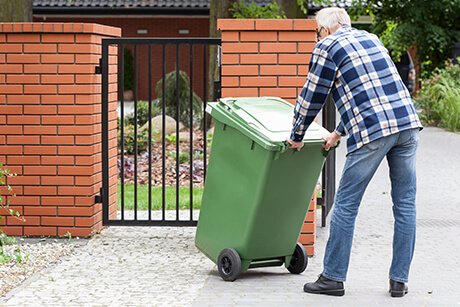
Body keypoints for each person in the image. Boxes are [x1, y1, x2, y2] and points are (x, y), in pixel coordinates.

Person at [287, 7, 423, 297]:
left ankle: (333, 278)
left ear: (325, 29)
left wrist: (296, 135)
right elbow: (366, 94)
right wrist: (338, 132)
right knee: (406, 205)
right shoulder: (371, 38)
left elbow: (312, 95)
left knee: (346, 203)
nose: (317, 37)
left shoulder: (327, 46)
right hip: (407, 125)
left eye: (317, 32)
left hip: (374, 132)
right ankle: (399, 281)